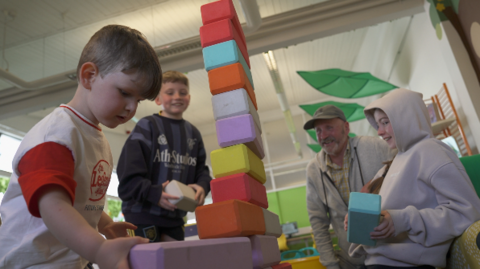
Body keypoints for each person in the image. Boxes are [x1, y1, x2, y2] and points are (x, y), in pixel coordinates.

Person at [0, 25, 162, 269]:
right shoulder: (55, 135)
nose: (132, 108)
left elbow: (82, 202)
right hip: (32, 261)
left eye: (138, 100)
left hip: (68, 260)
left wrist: (105, 224)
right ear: (89, 76)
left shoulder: (96, 138)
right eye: (125, 92)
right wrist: (98, 248)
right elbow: (52, 205)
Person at [346, 88, 480, 269]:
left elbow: (467, 210)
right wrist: (358, 218)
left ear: (406, 118)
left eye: (385, 122)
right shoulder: (391, 164)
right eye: (378, 124)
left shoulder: (431, 150)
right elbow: (378, 208)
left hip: (407, 264)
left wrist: (404, 220)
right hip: (375, 260)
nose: (379, 131)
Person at [117, 70, 212, 242]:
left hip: (174, 216)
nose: (177, 96)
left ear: (189, 98)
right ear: (159, 99)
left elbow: (202, 170)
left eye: (182, 93)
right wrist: (154, 193)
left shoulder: (194, 134)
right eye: (170, 92)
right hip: (141, 214)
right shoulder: (147, 126)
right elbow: (128, 174)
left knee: (175, 261)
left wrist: (203, 186)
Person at [304, 105, 396, 269]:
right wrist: (331, 265)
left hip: (389, 254)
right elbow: (318, 223)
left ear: (346, 128)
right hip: (351, 261)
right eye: (318, 131)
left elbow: (403, 175)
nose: (323, 135)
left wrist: (376, 182)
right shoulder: (314, 170)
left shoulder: (375, 147)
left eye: (329, 128)